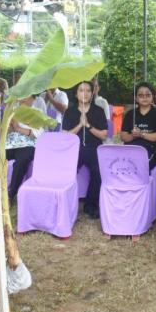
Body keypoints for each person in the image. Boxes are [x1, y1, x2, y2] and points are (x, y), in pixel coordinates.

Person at [62, 81, 108, 219]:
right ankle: (66, 202)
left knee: (98, 171)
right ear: (76, 94)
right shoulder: (70, 111)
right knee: (67, 171)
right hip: (74, 149)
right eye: (81, 90)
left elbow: (103, 135)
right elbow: (65, 135)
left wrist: (87, 125)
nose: (85, 93)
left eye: (88, 90)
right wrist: (79, 125)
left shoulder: (98, 111)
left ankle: (90, 205)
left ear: (92, 93)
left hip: (94, 149)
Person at [6, 95, 44, 200]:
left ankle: (10, 195)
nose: (23, 98)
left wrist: (18, 128)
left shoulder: (37, 112)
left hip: (28, 144)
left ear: (33, 98)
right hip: (11, 144)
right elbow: (6, 132)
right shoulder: (13, 111)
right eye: (22, 95)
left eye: (27, 95)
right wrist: (9, 126)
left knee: (21, 161)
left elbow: (39, 133)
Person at [121, 82, 156, 170]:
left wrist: (141, 134)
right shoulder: (130, 114)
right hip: (130, 150)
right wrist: (133, 136)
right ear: (136, 98)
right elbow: (123, 137)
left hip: (151, 151)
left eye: (148, 95)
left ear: (153, 96)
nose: (144, 97)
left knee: (139, 166)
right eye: (141, 95)